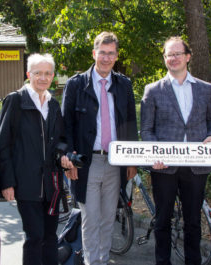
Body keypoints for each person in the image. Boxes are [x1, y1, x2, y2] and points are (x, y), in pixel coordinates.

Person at [62, 32, 138, 265]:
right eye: (102, 53)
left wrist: (132, 160)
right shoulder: (76, 84)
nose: (106, 58)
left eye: (111, 53)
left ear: (116, 56)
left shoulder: (123, 85)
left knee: (107, 219)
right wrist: (70, 159)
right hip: (87, 163)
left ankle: (102, 261)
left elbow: (130, 125)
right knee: (91, 217)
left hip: (116, 163)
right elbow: (66, 127)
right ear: (94, 53)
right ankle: (91, 262)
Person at [140, 36, 211, 265]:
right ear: (164, 58)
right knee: (163, 220)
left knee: (193, 221)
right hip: (164, 168)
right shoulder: (153, 90)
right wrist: (155, 155)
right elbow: (147, 129)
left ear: (188, 56)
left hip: (196, 167)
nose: (172, 58)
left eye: (177, 54)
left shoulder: (205, 89)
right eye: (168, 55)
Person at [0, 53, 73, 265]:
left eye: (47, 73)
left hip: (52, 184)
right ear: (28, 74)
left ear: (53, 76)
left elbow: (62, 139)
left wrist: (63, 153)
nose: (43, 77)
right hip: (26, 183)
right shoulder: (16, 100)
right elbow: (3, 144)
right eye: (38, 73)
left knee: (50, 237)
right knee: (35, 236)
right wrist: (7, 182)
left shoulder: (53, 104)